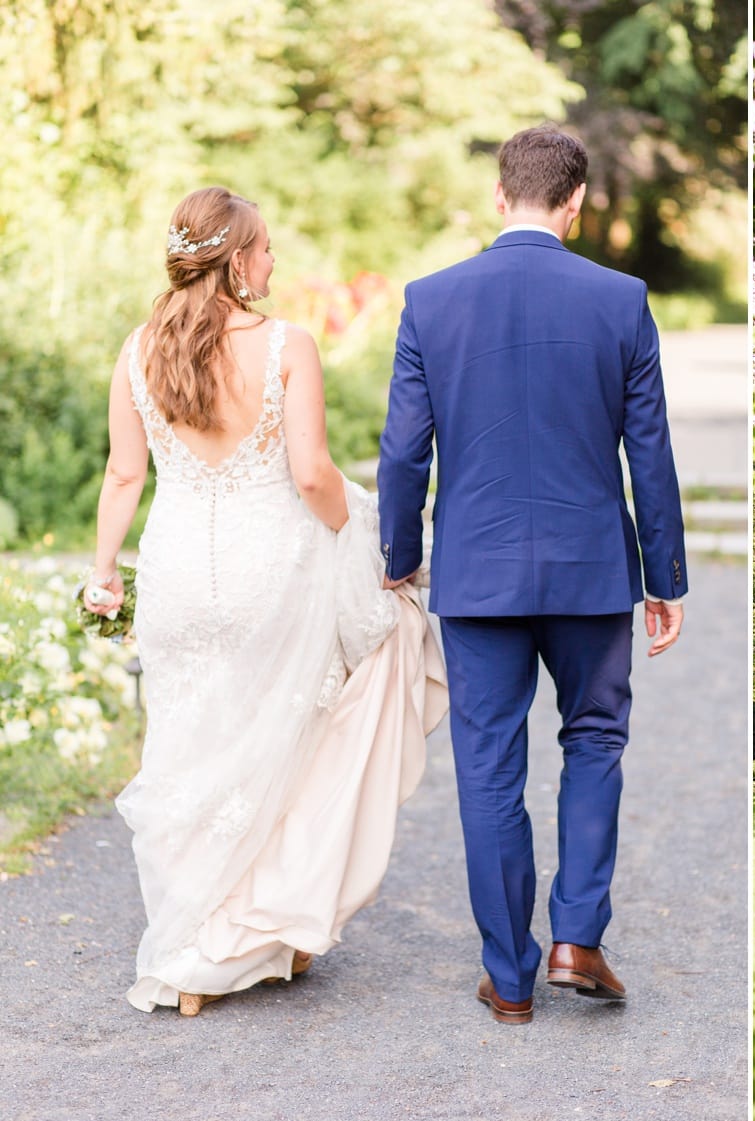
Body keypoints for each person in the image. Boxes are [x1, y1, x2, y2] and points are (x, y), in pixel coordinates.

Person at [86, 186, 447, 1015]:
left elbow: (123, 475)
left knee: (191, 746)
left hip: (178, 572)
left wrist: (104, 573)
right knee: (290, 741)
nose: (275, 261)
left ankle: (194, 946)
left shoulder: (138, 349)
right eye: (266, 248)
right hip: (270, 570)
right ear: (236, 257)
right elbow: (314, 475)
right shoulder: (286, 344)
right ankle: (260, 930)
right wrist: (356, 541)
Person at [378, 125, 687, 1026]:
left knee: (486, 768)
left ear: (498, 196)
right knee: (593, 740)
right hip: (593, 572)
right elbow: (651, 454)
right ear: (577, 204)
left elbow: (404, 454)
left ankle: (510, 976)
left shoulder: (431, 302)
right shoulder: (622, 299)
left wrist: (400, 558)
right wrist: (663, 576)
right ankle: (576, 938)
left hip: (476, 575)